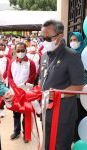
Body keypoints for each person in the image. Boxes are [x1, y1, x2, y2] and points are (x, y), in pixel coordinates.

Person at [39, 20, 84, 150]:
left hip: (63, 115)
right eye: (43, 37)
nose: (45, 41)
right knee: (47, 145)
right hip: (46, 112)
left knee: (60, 146)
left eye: (48, 38)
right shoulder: (44, 56)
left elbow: (78, 86)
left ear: (59, 36)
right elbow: (42, 80)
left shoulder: (72, 56)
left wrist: (59, 94)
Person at [8, 42, 36, 143]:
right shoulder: (12, 62)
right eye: (18, 50)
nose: (20, 52)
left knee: (26, 113)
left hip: (26, 93)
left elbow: (32, 77)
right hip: (14, 93)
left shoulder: (31, 63)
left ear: (26, 50)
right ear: (15, 51)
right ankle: (16, 131)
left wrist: (23, 88)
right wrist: (15, 88)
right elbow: (9, 77)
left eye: (22, 50)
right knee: (16, 113)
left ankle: (26, 133)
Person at [69, 31, 87, 141]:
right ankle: (74, 138)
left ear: (81, 41)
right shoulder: (69, 54)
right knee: (73, 118)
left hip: (84, 94)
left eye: (75, 40)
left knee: (82, 117)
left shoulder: (84, 54)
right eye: (71, 40)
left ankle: (82, 138)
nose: (72, 42)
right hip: (72, 93)